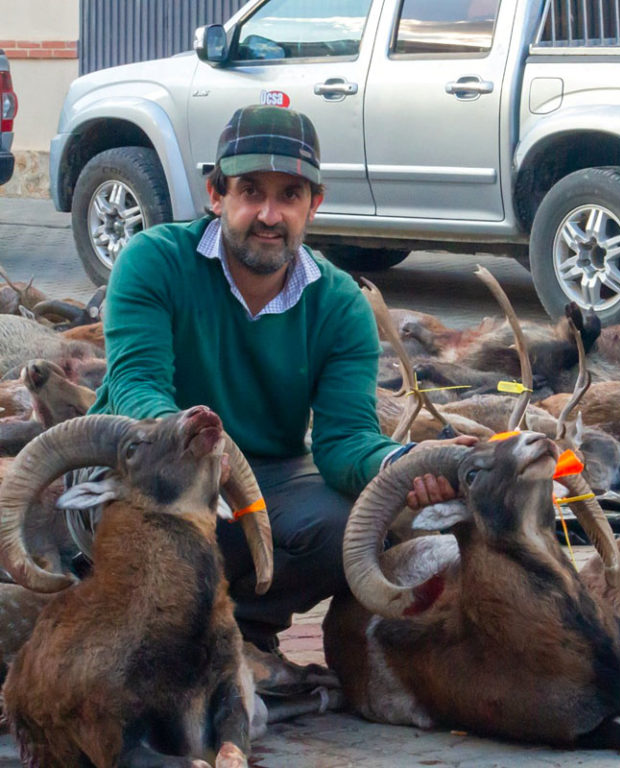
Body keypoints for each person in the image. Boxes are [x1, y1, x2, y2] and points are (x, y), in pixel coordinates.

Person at [89, 105, 471, 652]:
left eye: (289, 195)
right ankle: (144, 619)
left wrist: (405, 466)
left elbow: (344, 443)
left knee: (350, 525)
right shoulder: (153, 261)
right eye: (251, 191)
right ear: (216, 194)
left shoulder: (339, 304)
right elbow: (134, 384)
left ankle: (232, 634)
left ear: (314, 204)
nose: (269, 214)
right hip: (151, 463)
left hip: (264, 479)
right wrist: (189, 439)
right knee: (141, 524)